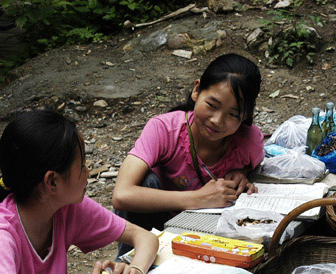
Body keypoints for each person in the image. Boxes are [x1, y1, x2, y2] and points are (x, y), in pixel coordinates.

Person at [0, 109, 158, 274]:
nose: (88, 172)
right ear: (52, 182)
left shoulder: (67, 207)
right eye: (81, 166)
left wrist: (135, 270)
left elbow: (145, 237)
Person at [112, 53, 265, 249]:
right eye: (212, 105)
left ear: (246, 115)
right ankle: (127, 267)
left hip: (211, 237)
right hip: (153, 233)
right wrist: (198, 198)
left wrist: (243, 174)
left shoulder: (249, 142)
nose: (217, 120)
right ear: (196, 90)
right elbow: (122, 195)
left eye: (233, 114)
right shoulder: (164, 129)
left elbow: (258, 163)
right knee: (145, 181)